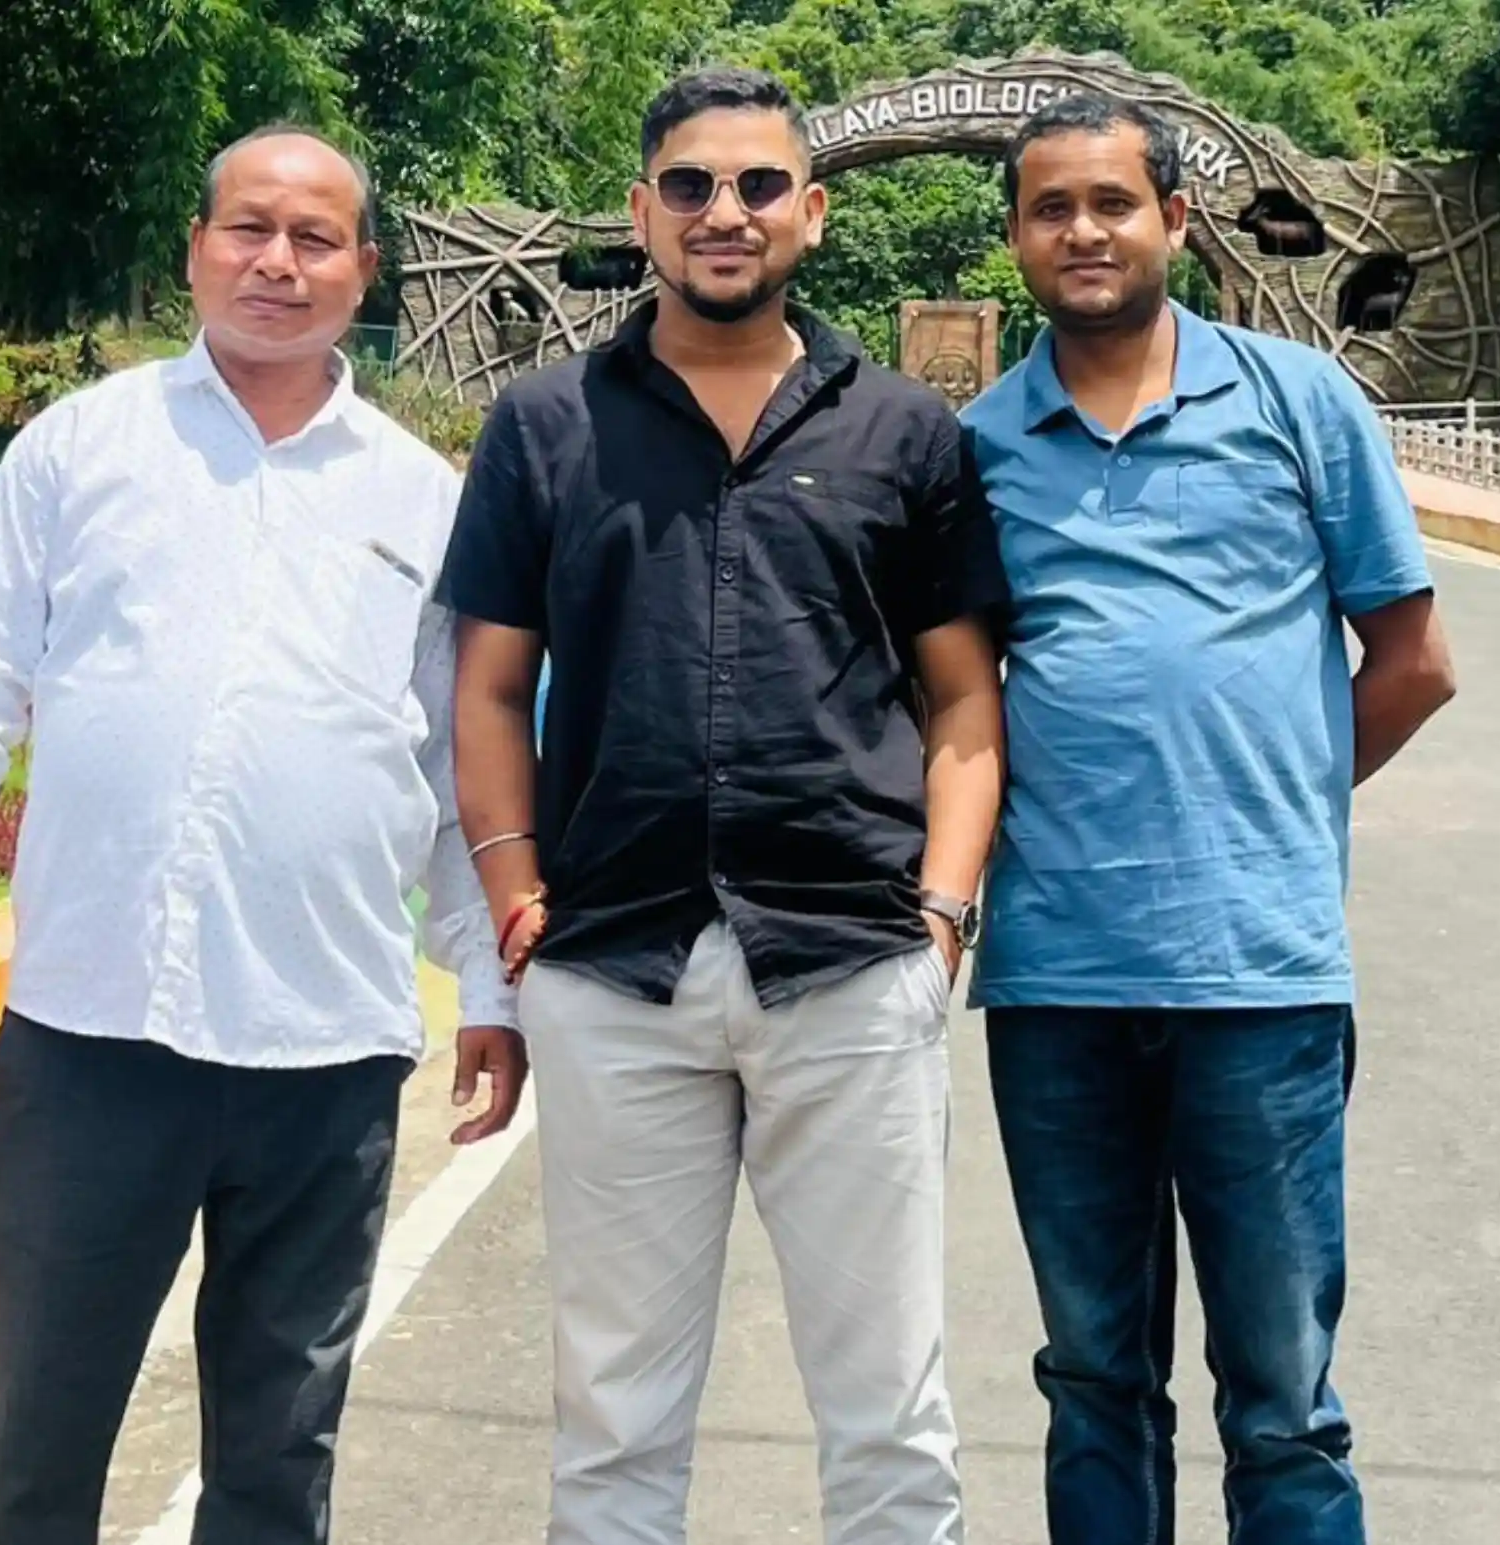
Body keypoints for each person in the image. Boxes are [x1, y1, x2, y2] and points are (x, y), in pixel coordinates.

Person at [0, 124, 527, 1545]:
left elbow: (457, 762)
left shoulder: (424, 498)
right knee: (28, 1445)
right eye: (249, 229)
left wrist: (491, 985)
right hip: (93, 1040)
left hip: (327, 1052)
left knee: (277, 1463)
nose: (278, 262)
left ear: (365, 270)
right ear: (197, 249)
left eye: (315, 238)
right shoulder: (82, 447)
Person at [442, 65, 1007, 1545]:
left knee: (890, 1416)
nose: (724, 212)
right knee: (614, 1421)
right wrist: (509, 885)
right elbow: (491, 685)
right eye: (690, 185)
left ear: (811, 214)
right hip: (616, 967)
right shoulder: (547, 425)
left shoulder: (903, 433)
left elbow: (963, 701)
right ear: (643, 212)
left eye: (759, 185)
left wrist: (943, 916)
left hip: (851, 961)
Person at [959, 92, 1458, 1545]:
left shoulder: (1300, 404)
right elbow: (956, 701)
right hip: (1057, 984)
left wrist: (1271, 805)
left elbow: (1415, 661)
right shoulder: (976, 448)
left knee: (1285, 1403)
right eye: (1051, 209)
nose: (1083, 231)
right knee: (1093, 1380)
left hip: (1263, 979)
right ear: (1017, 239)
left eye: (1112, 203)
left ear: (1173, 220)